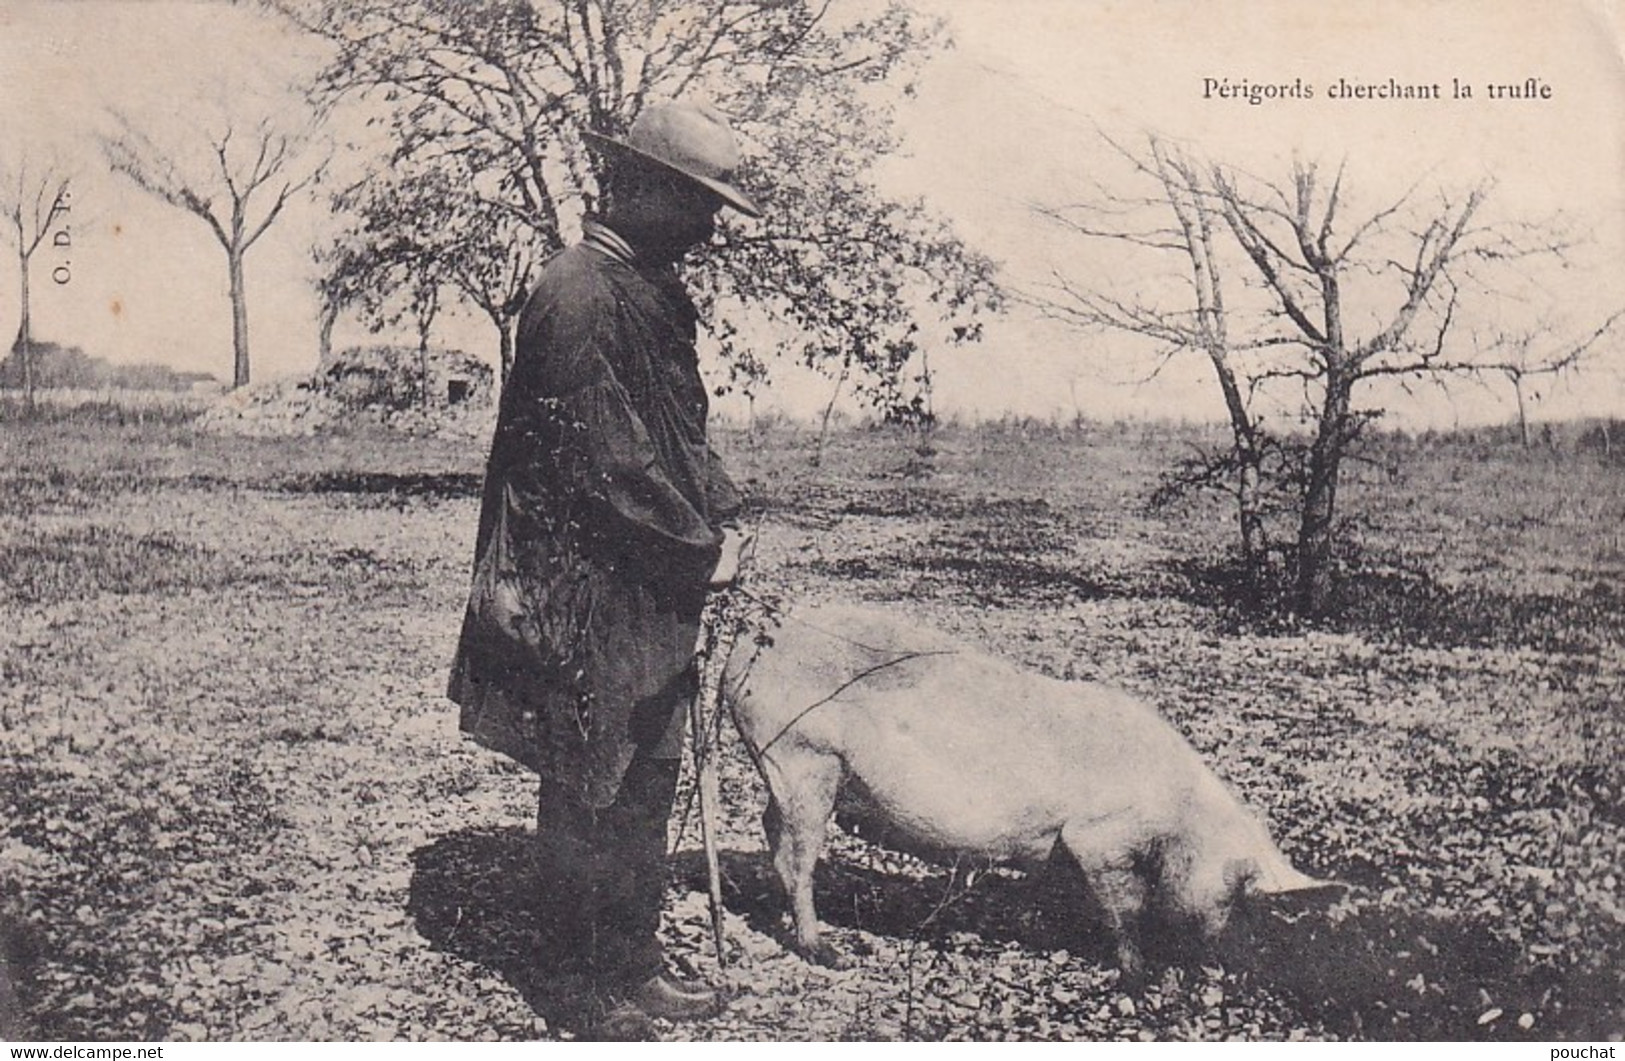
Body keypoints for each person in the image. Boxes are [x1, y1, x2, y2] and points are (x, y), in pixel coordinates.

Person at [446, 100, 758, 1039]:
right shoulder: (576, 294)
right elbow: (606, 462)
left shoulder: (647, 290)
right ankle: (576, 985)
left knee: (645, 775)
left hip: (643, 585)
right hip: (583, 594)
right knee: (589, 782)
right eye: (700, 201)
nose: (711, 225)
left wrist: (728, 507)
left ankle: (631, 958)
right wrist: (700, 548)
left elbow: (677, 434)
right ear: (646, 189)